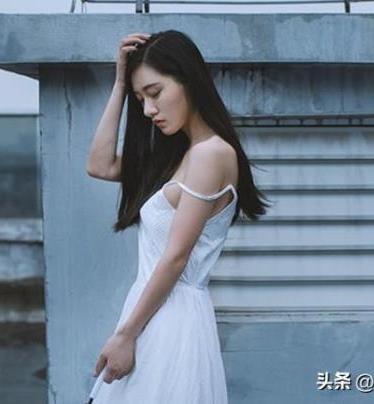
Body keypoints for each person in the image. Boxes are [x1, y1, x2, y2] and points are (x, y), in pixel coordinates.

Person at [85, 30, 270, 403]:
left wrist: (126, 335)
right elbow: (99, 165)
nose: (148, 109)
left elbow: (176, 257)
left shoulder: (210, 154)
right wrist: (120, 83)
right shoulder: (179, 156)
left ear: (188, 79)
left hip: (170, 320)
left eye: (155, 93)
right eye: (141, 99)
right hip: (153, 314)